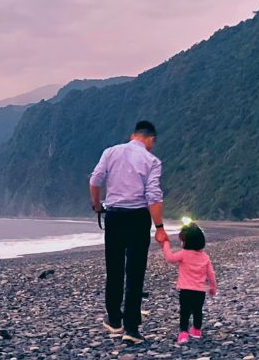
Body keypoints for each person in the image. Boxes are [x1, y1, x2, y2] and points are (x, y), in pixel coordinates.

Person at [89, 120, 167, 344]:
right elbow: (153, 195)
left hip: (114, 216)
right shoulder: (152, 160)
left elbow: (95, 180)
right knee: (135, 271)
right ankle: (131, 329)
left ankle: (114, 319)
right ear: (150, 139)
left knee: (113, 268)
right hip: (137, 217)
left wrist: (96, 205)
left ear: (133, 135)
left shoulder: (111, 152)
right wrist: (159, 227)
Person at [161, 221, 216, 344]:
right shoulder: (205, 257)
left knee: (184, 312)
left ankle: (183, 333)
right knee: (198, 311)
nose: (181, 243)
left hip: (185, 290)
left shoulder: (184, 254)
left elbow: (170, 259)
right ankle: (196, 330)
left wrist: (165, 244)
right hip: (200, 291)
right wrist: (212, 287)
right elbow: (211, 274)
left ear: (186, 242)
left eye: (182, 240)